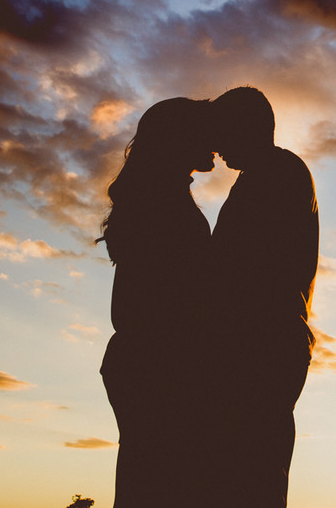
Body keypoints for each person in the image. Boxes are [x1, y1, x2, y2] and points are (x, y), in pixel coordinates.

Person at [98, 97, 216, 508]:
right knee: (160, 485)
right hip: (159, 362)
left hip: (146, 359)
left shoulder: (159, 194)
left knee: (148, 482)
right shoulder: (162, 201)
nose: (216, 142)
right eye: (207, 131)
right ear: (180, 139)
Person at [209, 86, 319, 507]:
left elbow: (238, 266)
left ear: (246, 128)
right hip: (266, 341)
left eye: (222, 133)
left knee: (250, 472)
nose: (216, 148)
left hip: (262, 344)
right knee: (251, 470)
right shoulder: (267, 174)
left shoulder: (275, 172)